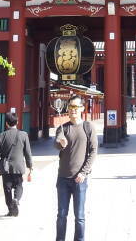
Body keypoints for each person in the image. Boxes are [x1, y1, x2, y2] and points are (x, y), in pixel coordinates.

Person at [55, 96, 98, 241]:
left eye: (75, 107)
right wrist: (61, 142)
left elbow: (93, 151)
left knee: (79, 216)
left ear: (81, 108)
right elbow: (57, 143)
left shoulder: (88, 127)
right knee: (61, 214)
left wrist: (84, 172)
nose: (72, 110)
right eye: (70, 107)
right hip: (63, 178)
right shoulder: (63, 128)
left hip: (80, 179)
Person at [0, 112, 33, 217]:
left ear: (6, 123)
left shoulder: (1, 136)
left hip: (5, 167)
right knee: (19, 185)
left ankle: (11, 209)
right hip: (18, 166)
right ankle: (16, 199)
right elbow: (28, 153)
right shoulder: (24, 135)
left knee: (7, 188)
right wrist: (30, 166)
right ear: (17, 122)